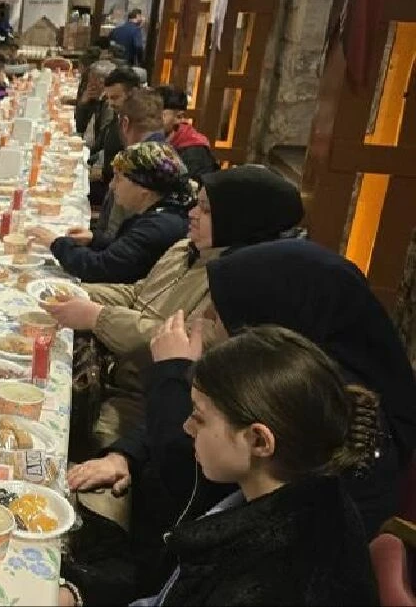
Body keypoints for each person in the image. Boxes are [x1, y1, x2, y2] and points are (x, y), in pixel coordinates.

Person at [63, 324, 381, 606]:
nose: (186, 427)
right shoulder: (283, 487)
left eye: (199, 418)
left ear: (259, 440)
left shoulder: (275, 579)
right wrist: (78, 594)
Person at [44, 165, 306, 460]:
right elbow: (138, 292)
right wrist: (78, 293)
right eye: (196, 203)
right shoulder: (187, 247)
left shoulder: (236, 288)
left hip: (146, 397)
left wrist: (97, 316)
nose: (191, 213)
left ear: (238, 219)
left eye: (205, 210)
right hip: (110, 367)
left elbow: (178, 342)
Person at [203, 239, 416, 535]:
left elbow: (187, 483)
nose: (207, 320)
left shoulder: (328, 411)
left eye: (221, 313)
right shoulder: (300, 384)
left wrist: (170, 371)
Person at [28, 141, 192, 284]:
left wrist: (56, 243)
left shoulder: (157, 228)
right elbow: (125, 254)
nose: (112, 186)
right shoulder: (164, 212)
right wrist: (94, 240)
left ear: (144, 189)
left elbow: (98, 268)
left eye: (118, 179)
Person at [95, 87, 171, 239]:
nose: (113, 185)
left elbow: (112, 232)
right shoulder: (168, 155)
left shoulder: (135, 163)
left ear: (125, 123)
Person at [157, 85, 218, 181]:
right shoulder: (151, 140)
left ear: (179, 117)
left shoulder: (195, 153)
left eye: (156, 114)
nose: (148, 120)